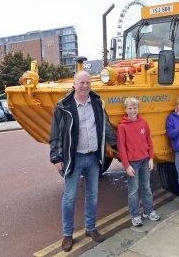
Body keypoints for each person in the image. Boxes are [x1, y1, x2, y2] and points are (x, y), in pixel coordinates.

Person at [49, 71, 117, 252]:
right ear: (74, 84)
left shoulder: (97, 102)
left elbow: (106, 127)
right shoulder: (63, 106)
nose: (85, 86)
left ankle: (91, 228)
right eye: (82, 82)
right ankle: (67, 234)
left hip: (94, 157)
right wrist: (56, 157)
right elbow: (55, 134)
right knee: (69, 197)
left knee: (93, 195)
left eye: (88, 82)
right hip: (75, 158)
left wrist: (118, 146)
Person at [117, 97, 160, 227]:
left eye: (135, 108)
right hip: (133, 163)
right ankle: (135, 215)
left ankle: (149, 211)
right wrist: (126, 165)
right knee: (134, 190)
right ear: (126, 109)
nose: (133, 110)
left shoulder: (144, 123)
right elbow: (121, 147)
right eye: (130, 108)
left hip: (145, 160)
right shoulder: (122, 126)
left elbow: (149, 142)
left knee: (146, 187)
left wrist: (151, 158)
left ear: (138, 109)